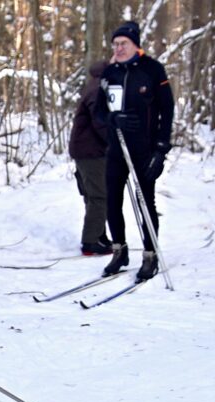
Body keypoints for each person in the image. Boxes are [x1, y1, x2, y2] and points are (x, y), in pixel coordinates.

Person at [96, 21, 174, 282]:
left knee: (145, 201)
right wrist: (112, 119)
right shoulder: (110, 73)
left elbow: (167, 109)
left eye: (123, 44)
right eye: (115, 44)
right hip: (117, 147)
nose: (118, 48)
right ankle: (119, 250)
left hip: (145, 149)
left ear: (135, 45)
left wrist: (161, 149)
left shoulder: (152, 69)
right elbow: (99, 111)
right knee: (112, 200)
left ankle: (150, 255)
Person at [69, 61, 113, 256]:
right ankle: (91, 241)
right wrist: (113, 140)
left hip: (87, 150)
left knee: (94, 194)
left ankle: (99, 236)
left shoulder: (96, 86)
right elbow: (100, 121)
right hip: (90, 151)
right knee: (99, 195)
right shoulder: (97, 90)